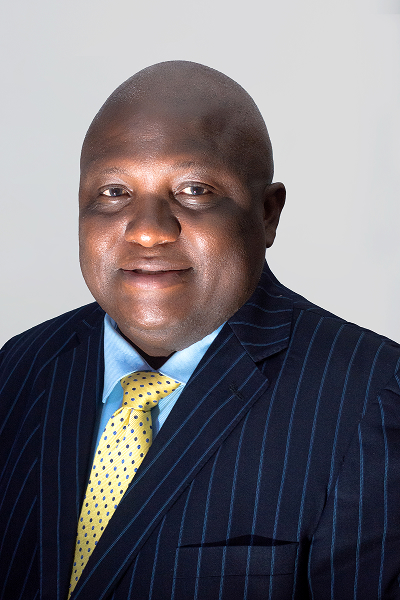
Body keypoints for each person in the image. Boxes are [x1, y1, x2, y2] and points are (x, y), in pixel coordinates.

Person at [0, 60, 399, 600]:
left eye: (194, 189)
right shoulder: (19, 369)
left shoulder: (372, 395)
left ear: (267, 214)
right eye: (114, 192)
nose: (147, 231)